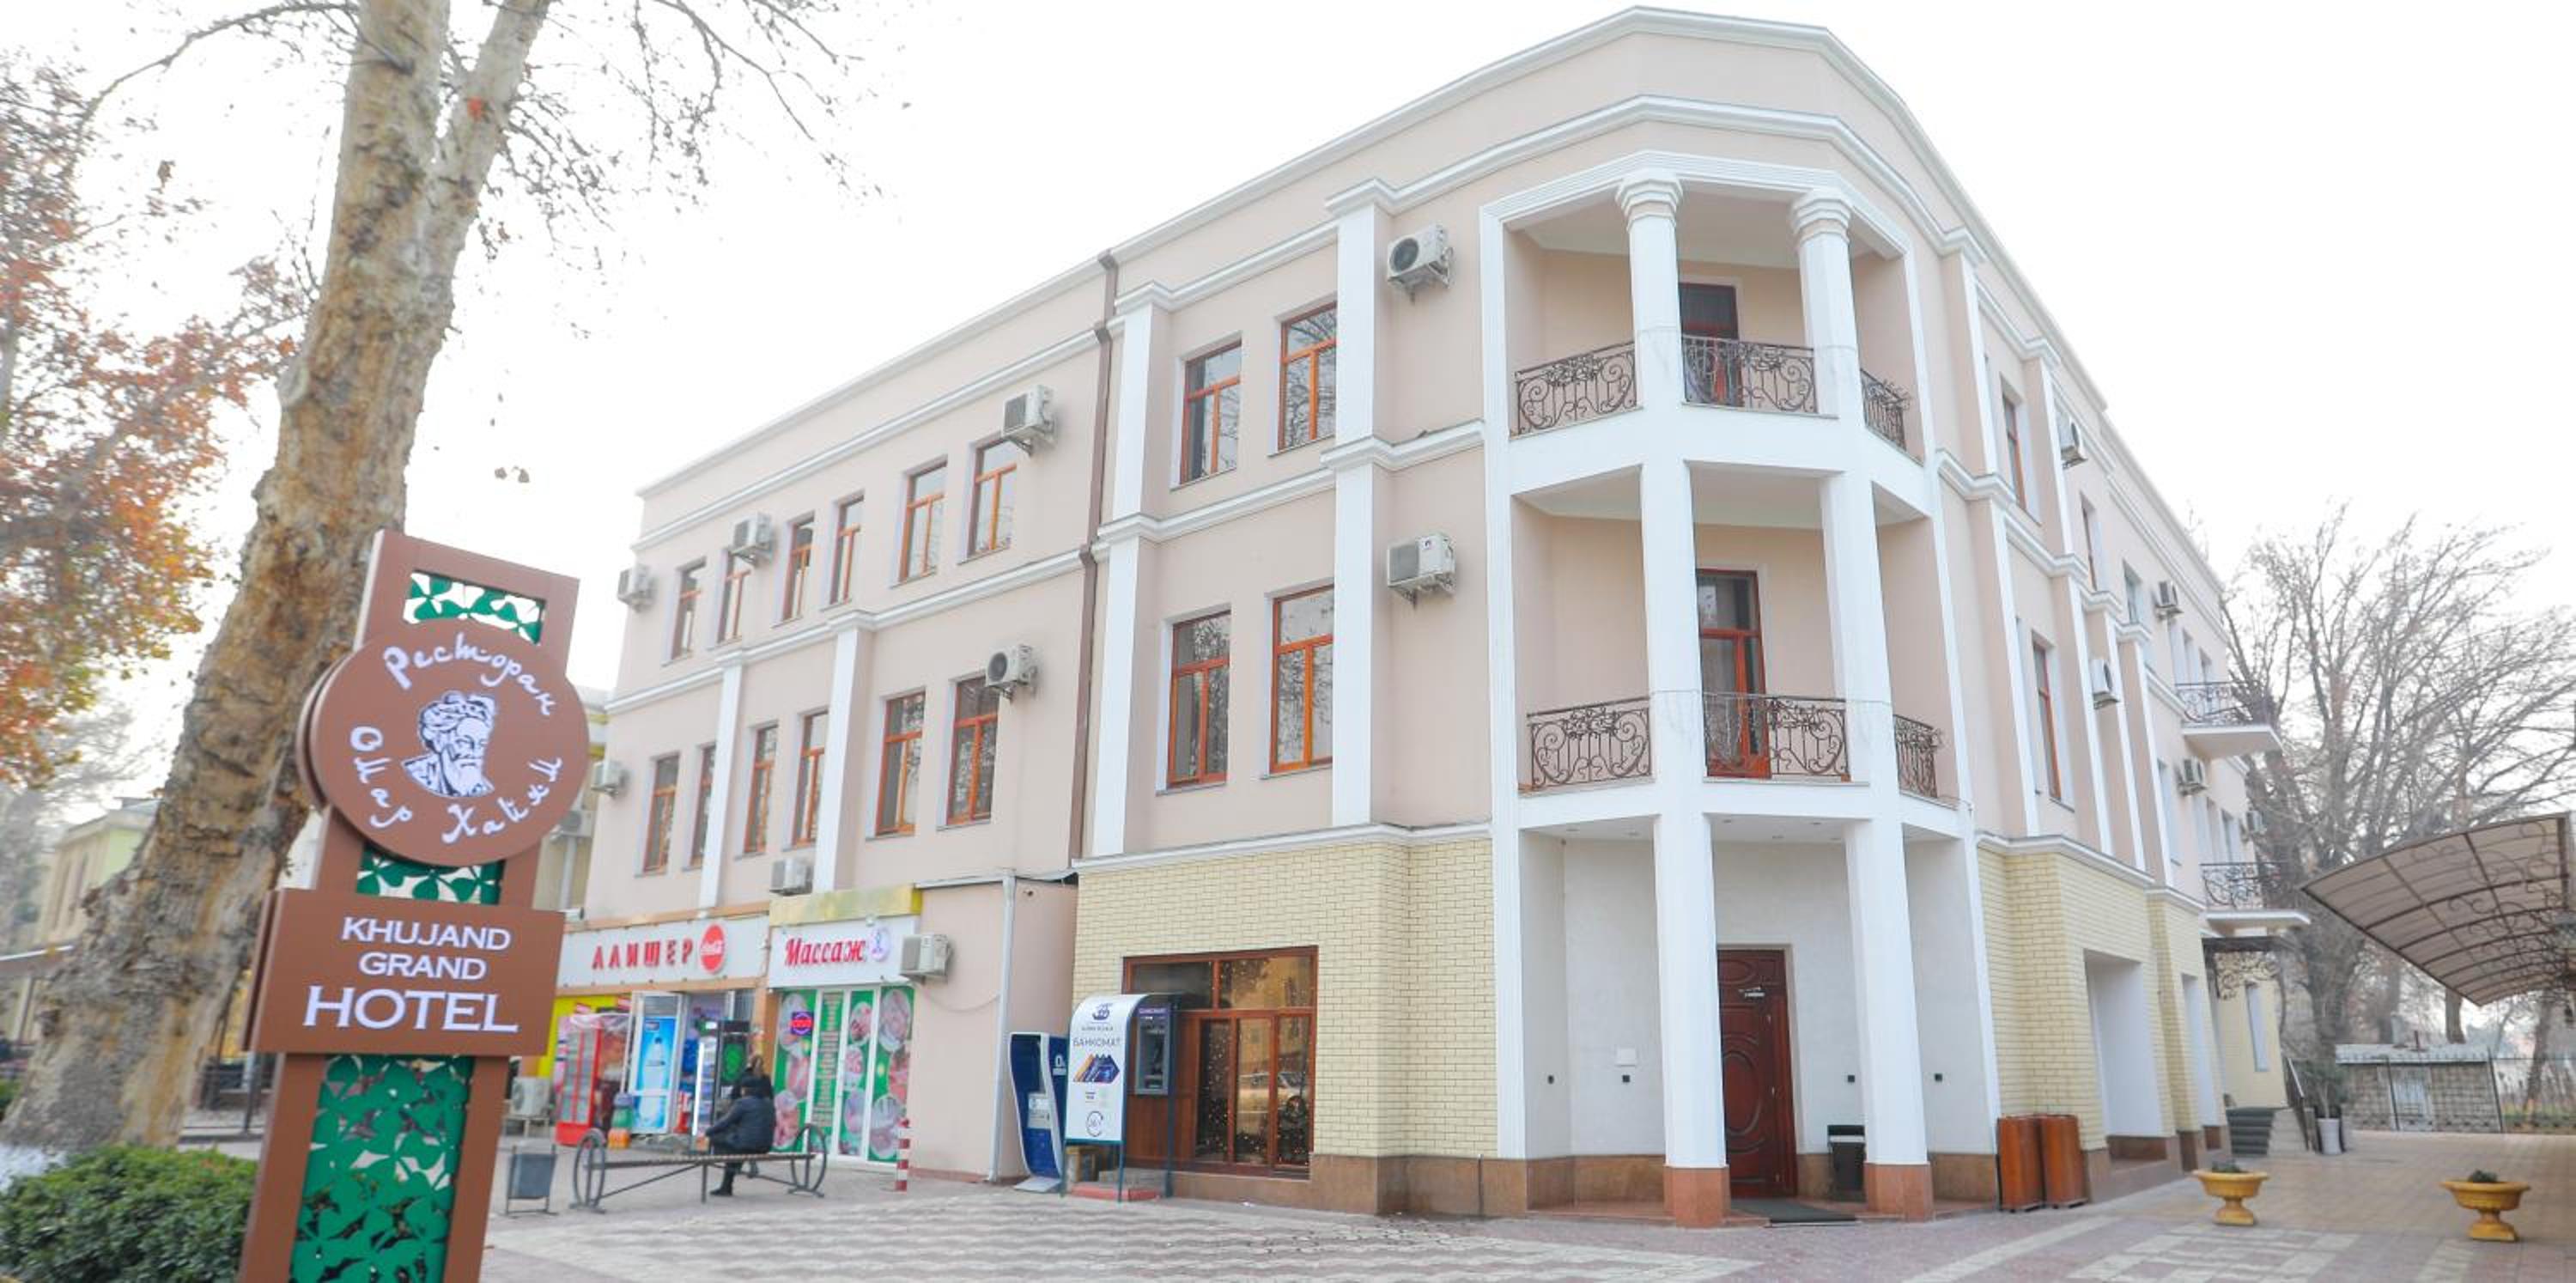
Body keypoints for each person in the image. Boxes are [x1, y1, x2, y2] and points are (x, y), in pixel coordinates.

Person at [706, 1070, 776, 1196]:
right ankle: (732, 1171)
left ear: (744, 1090)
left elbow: (725, 1122)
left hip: (747, 1146)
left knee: (718, 1138)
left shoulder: (743, 1103)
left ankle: (727, 1185)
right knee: (735, 1141)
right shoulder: (768, 1103)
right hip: (765, 1146)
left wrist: (708, 1132)